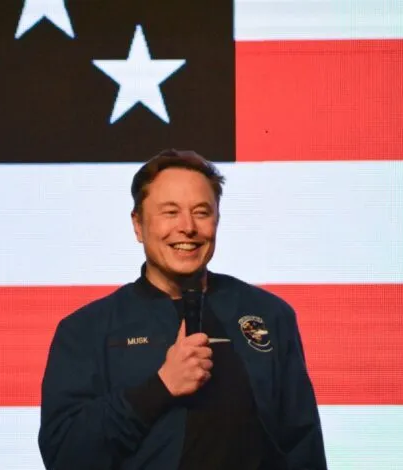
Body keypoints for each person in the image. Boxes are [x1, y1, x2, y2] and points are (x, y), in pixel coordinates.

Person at [38, 149, 327, 469]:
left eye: (201, 212)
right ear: (138, 225)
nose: (187, 227)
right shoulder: (86, 330)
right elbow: (64, 453)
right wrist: (161, 387)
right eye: (170, 212)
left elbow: (303, 445)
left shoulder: (269, 314)